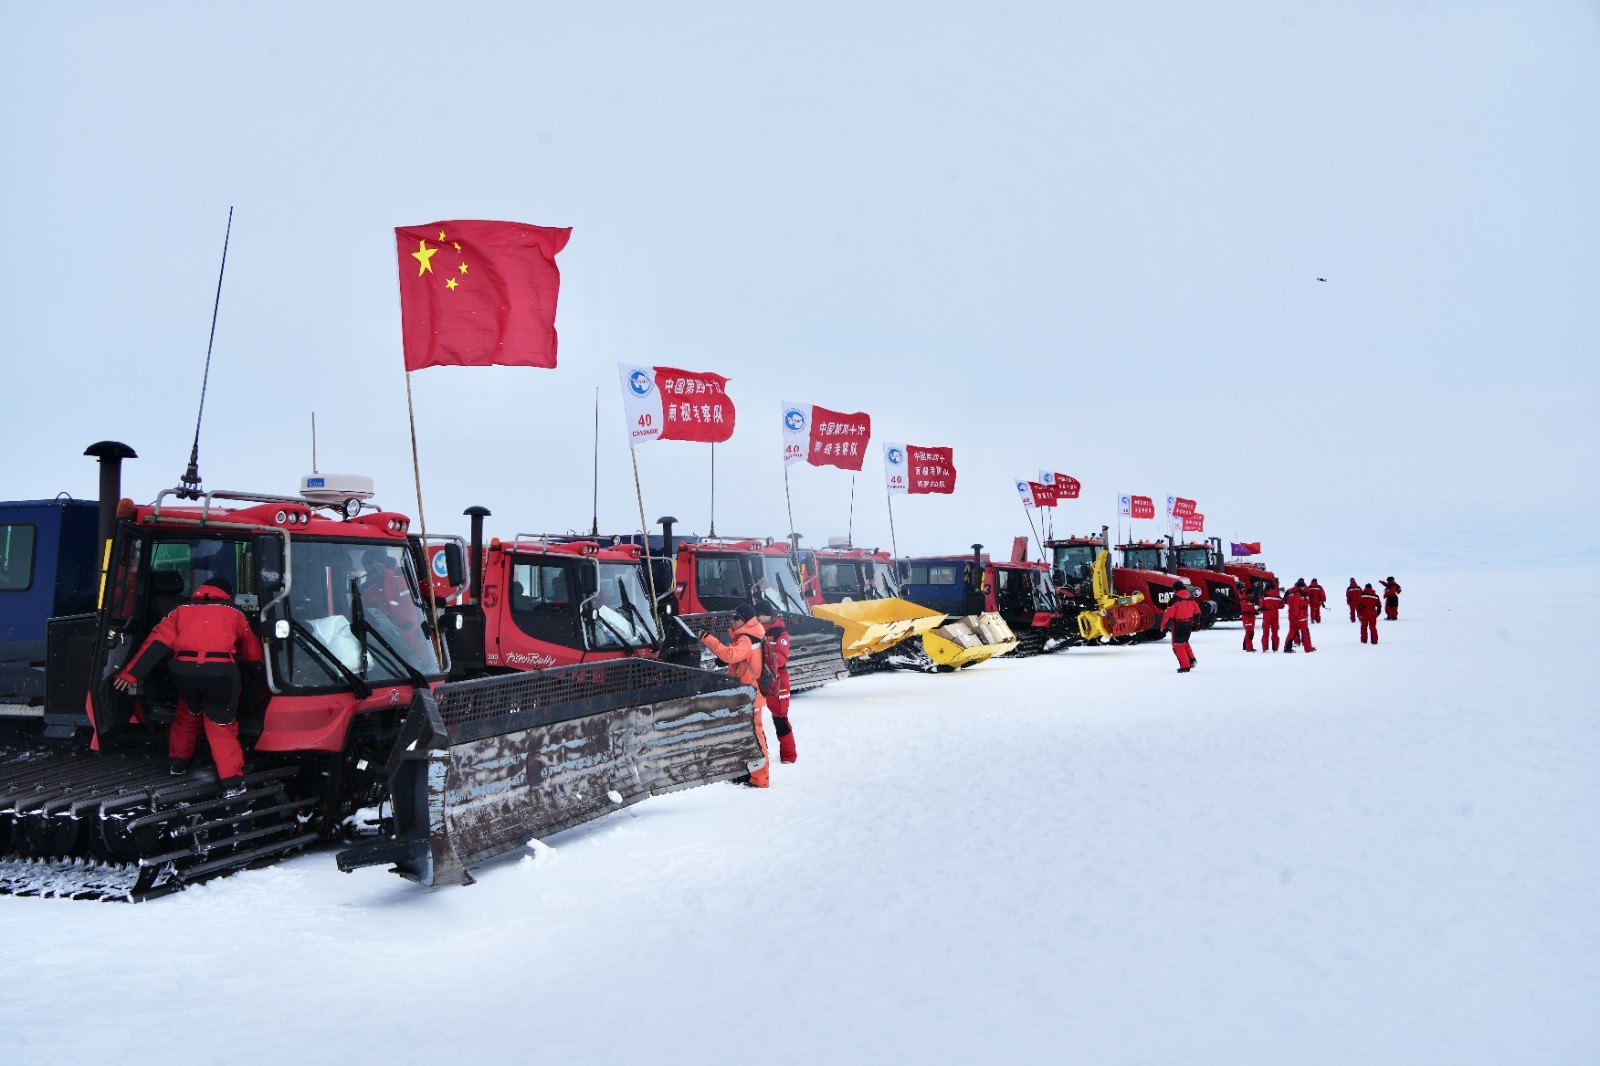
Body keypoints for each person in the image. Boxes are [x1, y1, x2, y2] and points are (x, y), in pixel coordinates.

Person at [112, 577, 263, 796]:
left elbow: (155, 645)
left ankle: (178, 764)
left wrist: (131, 674)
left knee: (187, 715)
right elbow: (252, 652)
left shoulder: (180, 611)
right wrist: (262, 669)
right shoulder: (235, 612)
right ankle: (230, 780)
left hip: (184, 673)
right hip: (221, 673)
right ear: (227, 593)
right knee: (221, 725)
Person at [700, 603, 771, 787]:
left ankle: (760, 778)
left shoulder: (747, 639)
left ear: (745, 620)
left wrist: (707, 639)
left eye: (736, 618)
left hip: (750, 696)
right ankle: (749, 773)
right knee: (749, 735)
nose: (732, 621)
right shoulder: (756, 633)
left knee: (754, 736)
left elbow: (730, 655)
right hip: (749, 694)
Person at [755, 605, 796, 763]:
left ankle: (788, 755)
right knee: (755, 718)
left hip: (777, 679)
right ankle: (760, 754)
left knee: (780, 718)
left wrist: (767, 663)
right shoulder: (755, 631)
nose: (757, 618)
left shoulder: (780, 633)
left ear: (769, 615)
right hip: (759, 677)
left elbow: (781, 656)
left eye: (760, 614)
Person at [1160, 584, 1202, 673]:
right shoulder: (1191, 598)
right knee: (1184, 643)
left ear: (1176, 590)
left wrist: (1164, 627)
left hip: (1178, 625)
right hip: (1188, 624)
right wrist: (1196, 623)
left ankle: (1185, 666)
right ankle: (1192, 660)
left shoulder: (1174, 600)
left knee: (1178, 646)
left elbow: (1168, 615)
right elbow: (1197, 612)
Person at [1283, 579, 1316, 653]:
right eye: (1303, 587)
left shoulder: (1292, 592)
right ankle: (1308, 648)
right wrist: (1296, 615)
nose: (1304, 588)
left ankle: (1287, 648)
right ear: (1300, 587)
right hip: (1299, 616)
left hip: (1293, 616)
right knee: (1305, 632)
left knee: (1292, 632)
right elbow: (1296, 605)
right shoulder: (1297, 594)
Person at [1259, 584, 1284, 652]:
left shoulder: (1264, 596)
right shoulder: (1278, 596)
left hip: (1267, 614)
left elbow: (1261, 605)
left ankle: (1265, 648)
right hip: (1275, 615)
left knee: (1266, 633)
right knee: (1275, 633)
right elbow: (1282, 606)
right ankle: (1275, 648)